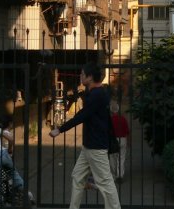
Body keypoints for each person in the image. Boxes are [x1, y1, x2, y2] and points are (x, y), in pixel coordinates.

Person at [49, 63, 121, 209]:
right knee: (77, 177)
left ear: (89, 77)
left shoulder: (97, 94)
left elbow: (82, 115)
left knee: (105, 182)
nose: (80, 76)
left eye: (82, 74)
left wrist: (60, 129)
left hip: (96, 147)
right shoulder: (95, 92)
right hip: (89, 147)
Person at [109, 101, 130, 182]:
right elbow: (127, 131)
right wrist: (129, 141)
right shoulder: (123, 119)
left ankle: (114, 175)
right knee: (121, 158)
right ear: (118, 110)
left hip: (113, 140)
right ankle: (120, 175)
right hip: (122, 139)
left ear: (111, 110)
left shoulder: (110, 120)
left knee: (112, 158)